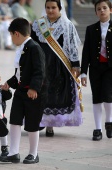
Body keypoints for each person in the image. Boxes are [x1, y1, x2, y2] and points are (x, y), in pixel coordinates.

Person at [0, 17, 45, 164]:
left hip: (33, 93)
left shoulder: (35, 48)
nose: (11, 38)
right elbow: (20, 74)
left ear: (16, 33)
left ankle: (33, 154)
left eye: (10, 35)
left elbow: (39, 71)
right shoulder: (22, 48)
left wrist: (34, 88)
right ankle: (13, 153)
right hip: (21, 91)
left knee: (32, 124)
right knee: (15, 121)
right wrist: (9, 84)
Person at [31, 0, 83, 137]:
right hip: (42, 65)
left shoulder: (67, 25)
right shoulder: (38, 24)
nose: (50, 10)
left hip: (60, 66)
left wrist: (76, 65)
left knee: (55, 96)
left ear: (60, 8)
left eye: (53, 7)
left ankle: (50, 125)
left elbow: (72, 47)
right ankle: (40, 121)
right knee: (41, 94)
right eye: (47, 7)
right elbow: (32, 44)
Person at [81, 0, 112, 141]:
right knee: (97, 98)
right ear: (96, 12)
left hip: (110, 68)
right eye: (99, 9)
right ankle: (98, 128)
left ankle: (109, 122)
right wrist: (83, 72)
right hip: (95, 68)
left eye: (105, 8)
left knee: (108, 95)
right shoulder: (91, 29)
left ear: (110, 10)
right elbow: (86, 52)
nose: (102, 11)